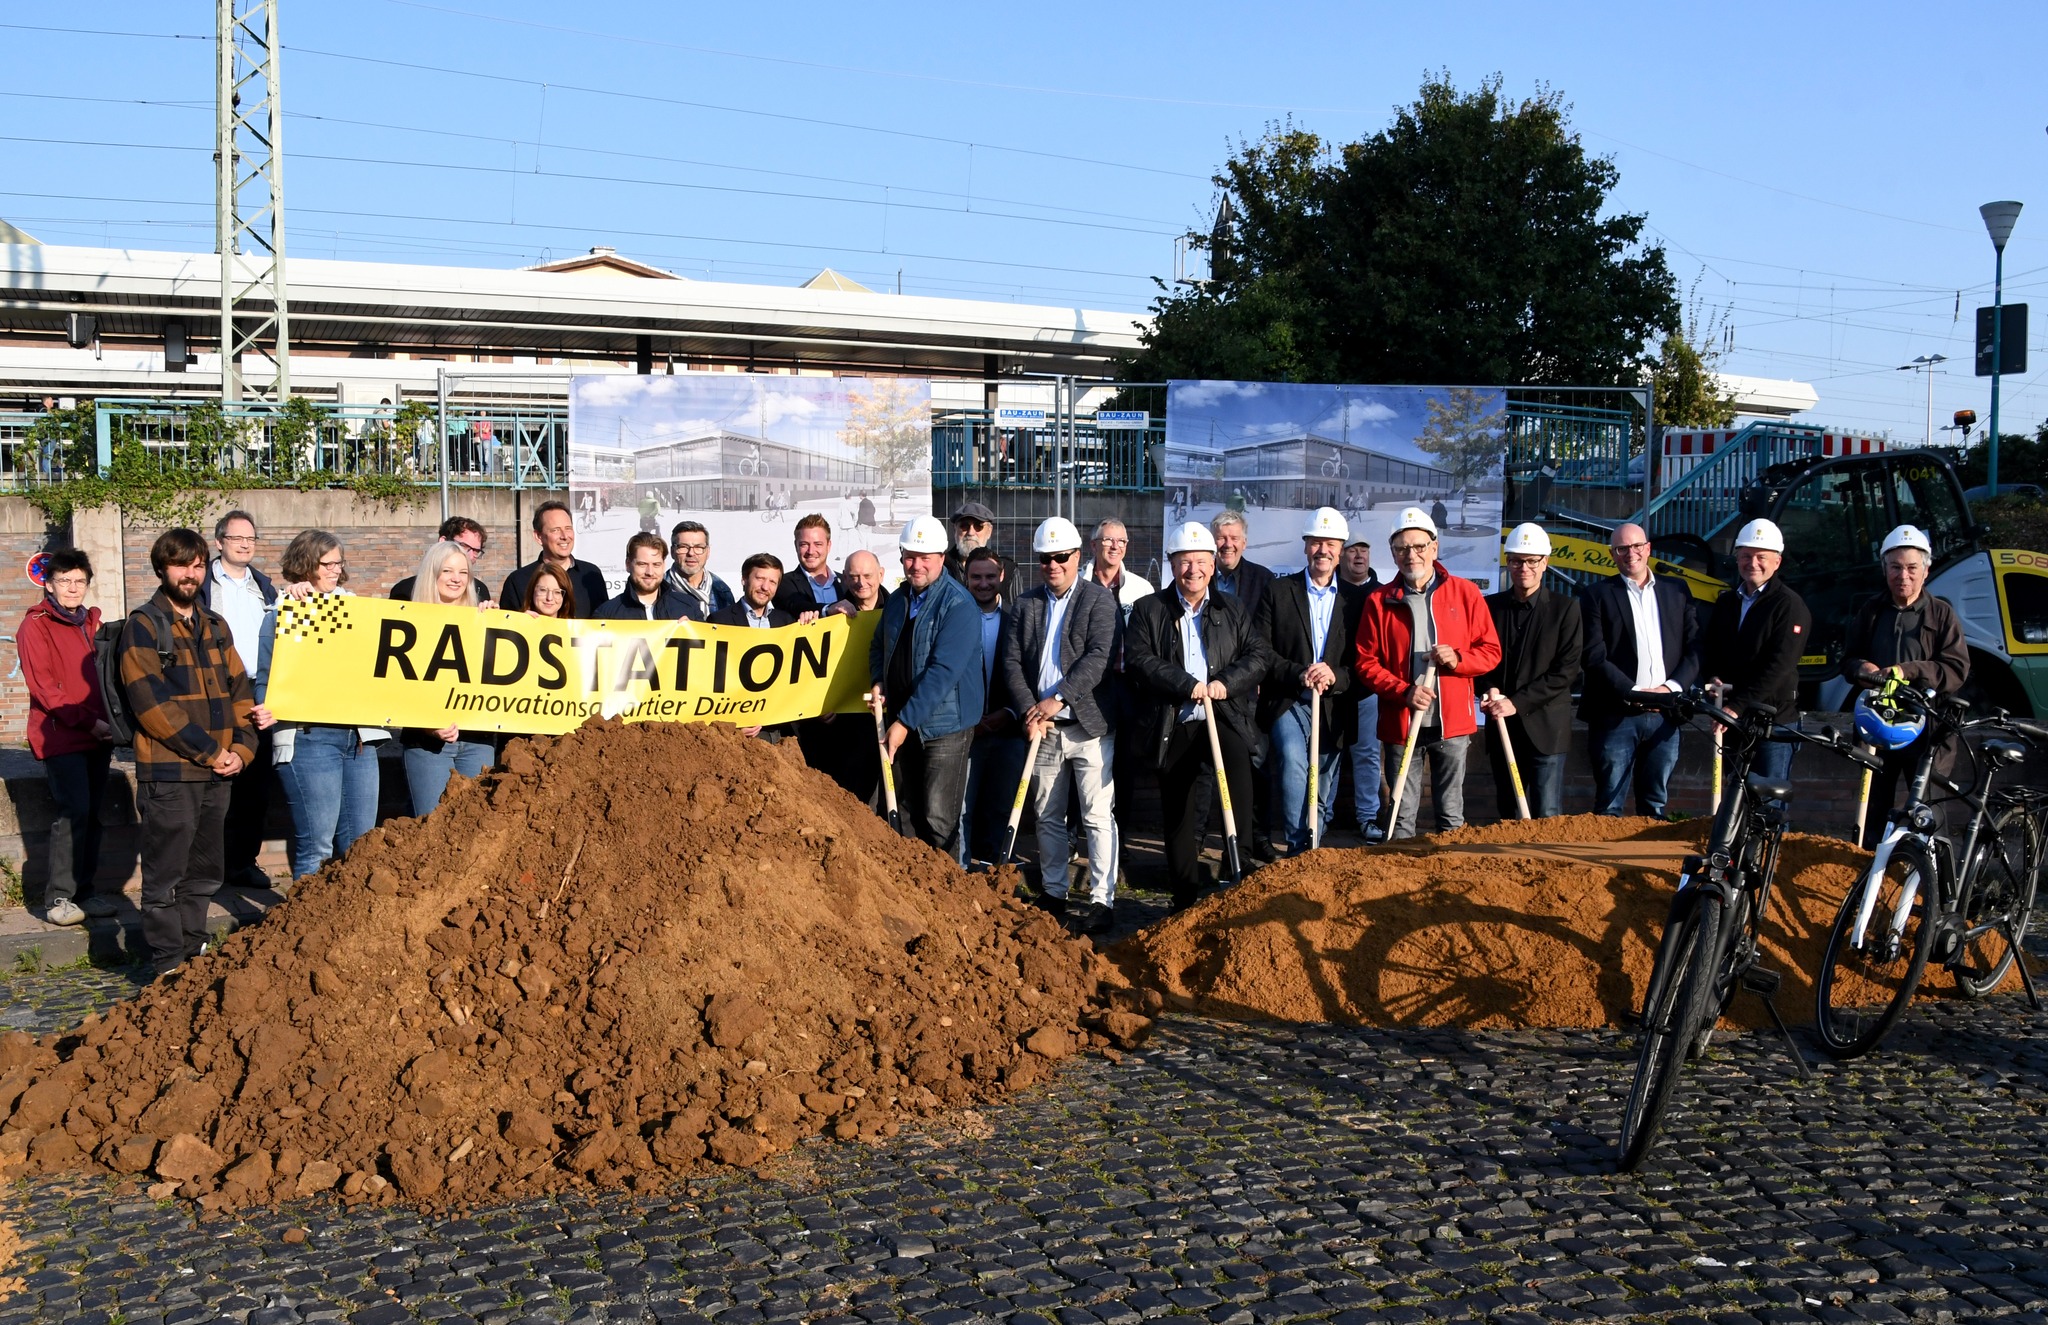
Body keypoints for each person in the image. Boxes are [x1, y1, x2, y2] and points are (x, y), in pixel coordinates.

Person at [119, 528, 258, 979]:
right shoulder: (144, 625)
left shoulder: (215, 625)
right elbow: (151, 706)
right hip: (170, 773)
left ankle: (193, 955)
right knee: (164, 880)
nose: (190, 573)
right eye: (181, 564)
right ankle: (166, 965)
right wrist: (211, 752)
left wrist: (241, 749)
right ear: (162, 568)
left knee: (203, 875)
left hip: (219, 773)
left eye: (197, 565)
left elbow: (242, 691)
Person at [1125, 522, 1272, 910]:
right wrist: (1184, 683)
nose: (1194, 570)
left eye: (1202, 561)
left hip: (1222, 713)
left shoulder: (1232, 608)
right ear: (1172, 564)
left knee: (1238, 782)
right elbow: (1139, 660)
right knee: (1179, 809)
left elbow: (1257, 657)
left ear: (1213, 564)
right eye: (1185, 561)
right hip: (1174, 720)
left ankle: (1235, 876)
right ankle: (1184, 897)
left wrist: (1226, 682)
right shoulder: (1148, 609)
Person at [1000, 518, 1119, 931]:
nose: (1053, 565)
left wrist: (1057, 699)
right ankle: (1054, 893)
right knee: (1047, 814)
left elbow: (1099, 657)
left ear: (1077, 557)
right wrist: (1031, 709)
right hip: (1044, 729)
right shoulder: (1025, 604)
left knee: (1096, 815)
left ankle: (1102, 899)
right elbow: (1012, 662)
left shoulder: (1099, 601)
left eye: (1061, 557)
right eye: (1045, 559)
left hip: (1088, 726)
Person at [1354, 507, 1502, 839]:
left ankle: (1448, 884)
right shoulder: (1379, 601)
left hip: (1451, 726)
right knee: (1400, 819)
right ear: (1393, 554)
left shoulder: (1465, 593)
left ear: (1434, 548)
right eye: (1403, 548)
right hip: (1401, 724)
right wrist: (1403, 691)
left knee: (1450, 817)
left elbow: (1490, 652)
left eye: (1419, 546)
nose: (1412, 555)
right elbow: (1366, 662)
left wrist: (1458, 658)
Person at [251, 531, 390, 880]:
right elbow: (267, 678)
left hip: (359, 739)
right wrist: (265, 706)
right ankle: (306, 928)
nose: (334, 569)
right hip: (309, 738)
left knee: (362, 846)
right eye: (325, 563)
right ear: (306, 566)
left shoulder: (356, 608)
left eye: (338, 562)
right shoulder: (283, 612)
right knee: (318, 848)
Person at [1839, 524, 1969, 846]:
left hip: (1927, 733)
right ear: (1885, 569)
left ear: (1925, 571)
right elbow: (1847, 659)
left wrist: (1907, 671)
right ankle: (1868, 880)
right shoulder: (1871, 611)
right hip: (1878, 731)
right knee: (1871, 815)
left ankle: (1930, 885)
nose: (1903, 576)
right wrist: (1861, 668)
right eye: (1895, 567)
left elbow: (1956, 668)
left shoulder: (1942, 615)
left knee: (1927, 816)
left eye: (1912, 568)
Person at [870, 517, 984, 856]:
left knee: (938, 818)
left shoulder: (958, 605)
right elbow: (879, 645)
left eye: (925, 558)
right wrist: (877, 680)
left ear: (941, 557)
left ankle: (949, 895)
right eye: (909, 557)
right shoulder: (897, 600)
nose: (916, 565)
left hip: (943, 727)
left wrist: (904, 723)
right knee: (906, 811)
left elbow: (943, 673)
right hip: (901, 719)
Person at [17, 548, 115, 923]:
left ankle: (85, 893)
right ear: (49, 584)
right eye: (64, 581)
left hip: (98, 734)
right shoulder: (36, 626)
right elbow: (44, 688)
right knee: (72, 812)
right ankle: (59, 899)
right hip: (61, 733)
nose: (72, 588)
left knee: (92, 815)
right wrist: (88, 721)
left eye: (79, 581)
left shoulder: (92, 623)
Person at [1579, 521, 1701, 818]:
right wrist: (1632, 692)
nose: (1630, 553)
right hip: (1616, 714)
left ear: (1648, 549)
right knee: (1609, 805)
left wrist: (1669, 690)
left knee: (1655, 804)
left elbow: (1694, 648)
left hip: (1665, 716)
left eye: (1636, 546)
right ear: (1612, 553)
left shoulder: (1678, 590)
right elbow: (1594, 656)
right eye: (1622, 548)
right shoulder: (1596, 594)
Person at [1255, 508, 1359, 856]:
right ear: (1305, 547)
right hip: (1289, 700)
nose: (1322, 550)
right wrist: (1299, 672)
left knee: (1325, 782)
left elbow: (1363, 662)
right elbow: (1262, 651)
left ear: (1341, 549)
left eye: (1330, 544)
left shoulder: (1355, 602)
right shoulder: (1278, 591)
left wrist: (1335, 675)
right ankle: (1299, 847)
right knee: (1293, 761)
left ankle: (1313, 843)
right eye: (1316, 543)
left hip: (1334, 706)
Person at [197, 510, 279, 892]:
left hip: (257, 690)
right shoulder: (202, 586)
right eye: (236, 538)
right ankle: (209, 869)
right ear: (219, 543)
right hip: (216, 689)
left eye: (251, 539)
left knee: (256, 782)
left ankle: (244, 862)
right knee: (214, 784)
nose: (245, 544)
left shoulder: (264, 587)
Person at [1477, 524, 1584, 820]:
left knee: (1546, 812)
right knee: (1507, 813)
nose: (1523, 567)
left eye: (1531, 561)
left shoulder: (1565, 609)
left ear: (1544, 563)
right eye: (1515, 560)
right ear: (1508, 562)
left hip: (1546, 729)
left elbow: (1566, 671)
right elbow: (1480, 659)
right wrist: (1488, 689)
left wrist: (1516, 702)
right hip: (1503, 728)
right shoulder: (1490, 608)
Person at [1702, 518, 1812, 784]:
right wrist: (1713, 677)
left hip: (1772, 722)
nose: (1752, 563)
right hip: (1734, 720)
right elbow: (1712, 648)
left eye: (1761, 556)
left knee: (1767, 805)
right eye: (1746, 556)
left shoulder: (1789, 606)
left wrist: (1735, 707)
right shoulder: (1727, 602)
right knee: (1733, 801)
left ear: (1777, 562)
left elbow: (1779, 666)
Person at [402, 541, 498, 816]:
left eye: (463, 572)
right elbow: (399, 687)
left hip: (478, 741)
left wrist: (514, 622)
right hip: (428, 745)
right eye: (447, 571)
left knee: (474, 828)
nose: (456, 579)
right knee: (432, 830)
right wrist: (428, 726)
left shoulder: (484, 619)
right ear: (432, 574)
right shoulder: (408, 622)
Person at [1209, 510, 1277, 860]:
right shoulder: (1198, 576)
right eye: (1222, 538)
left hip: (1249, 689)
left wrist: (1258, 677)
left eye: (1234, 538)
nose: (1227, 544)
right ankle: (1218, 842)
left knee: (1256, 765)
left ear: (1245, 542)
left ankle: (1256, 838)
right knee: (1212, 769)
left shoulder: (1263, 580)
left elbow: (1266, 639)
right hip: (1205, 690)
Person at [956, 547, 1023, 866]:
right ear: (966, 578)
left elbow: (1030, 670)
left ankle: (997, 881)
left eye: (989, 577)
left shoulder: (1018, 619)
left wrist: (1009, 712)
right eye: (976, 577)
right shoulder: (953, 618)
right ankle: (961, 875)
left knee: (1001, 809)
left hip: (1007, 730)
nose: (983, 583)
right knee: (962, 809)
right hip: (965, 732)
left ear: (1002, 577)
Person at [710, 554, 799, 742]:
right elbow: (713, 680)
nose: (765, 587)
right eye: (759, 579)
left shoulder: (787, 622)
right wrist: (732, 724)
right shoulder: (719, 621)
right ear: (744, 579)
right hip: (744, 733)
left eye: (772, 582)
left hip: (783, 730)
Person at [1337, 532, 1384, 841]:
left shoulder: (1382, 594)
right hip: (1331, 689)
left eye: (1364, 548)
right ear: (1341, 554)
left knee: (1367, 755)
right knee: (1326, 756)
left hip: (1369, 690)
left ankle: (1369, 818)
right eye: (1352, 549)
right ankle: (1319, 820)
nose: (1358, 555)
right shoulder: (1328, 591)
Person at [499, 500, 607, 619]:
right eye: (555, 530)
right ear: (538, 537)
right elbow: (507, 629)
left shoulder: (591, 575)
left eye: (568, 528)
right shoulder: (517, 580)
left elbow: (603, 624)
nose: (564, 536)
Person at [389, 517, 491, 603]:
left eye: (476, 551)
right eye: (464, 546)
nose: (469, 555)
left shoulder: (480, 591)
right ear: (443, 541)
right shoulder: (405, 591)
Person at [594, 532, 691, 620]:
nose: (650, 572)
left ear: (663, 565)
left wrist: (692, 634)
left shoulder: (689, 607)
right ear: (628, 564)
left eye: (656, 564)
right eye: (642, 564)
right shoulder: (606, 614)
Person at [774, 513, 844, 617]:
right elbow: (797, 607)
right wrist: (829, 609)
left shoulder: (846, 583)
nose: (811, 551)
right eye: (804, 544)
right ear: (796, 546)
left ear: (828, 546)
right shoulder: (783, 583)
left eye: (818, 544)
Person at [666, 520, 734, 622]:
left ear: (708, 552)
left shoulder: (721, 592)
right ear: (672, 552)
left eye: (698, 547)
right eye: (683, 547)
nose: (691, 553)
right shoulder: (659, 590)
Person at [943, 502, 1016, 596]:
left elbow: (1015, 608)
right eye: (964, 526)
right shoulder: (941, 567)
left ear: (989, 531)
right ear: (955, 530)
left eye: (978, 526)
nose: (970, 533)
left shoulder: (1008, 570)